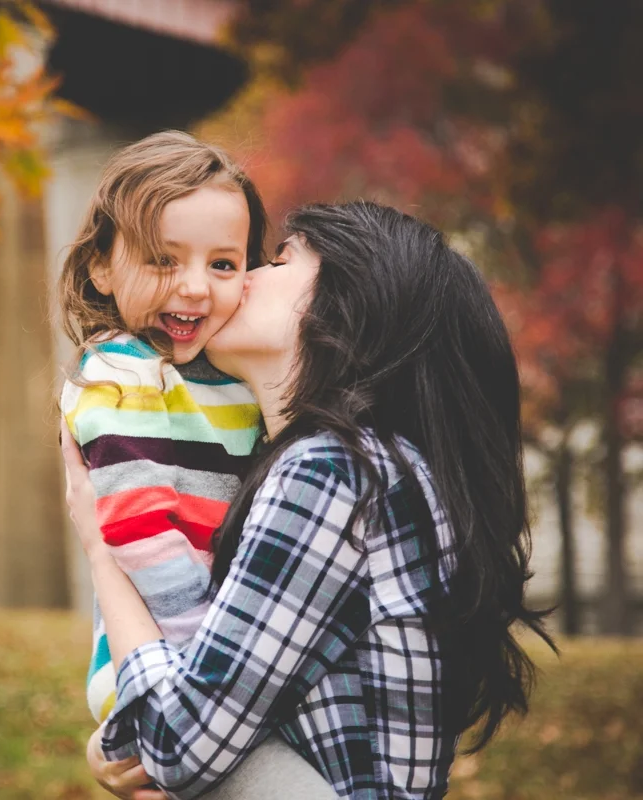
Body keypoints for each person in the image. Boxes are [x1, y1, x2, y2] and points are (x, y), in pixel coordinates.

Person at [62, 201, 556, 799]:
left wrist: (100, 544)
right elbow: (218, 713)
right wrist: (125, 741)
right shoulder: (350, 468)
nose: (239, 279)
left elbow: (180, 743)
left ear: (345, 304)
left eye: (276, 259)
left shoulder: (335, 473)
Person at [58, 131, 337, 799]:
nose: (194, 287)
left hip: (219, 655)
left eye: (222, 264)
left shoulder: (227, 375)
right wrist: (201, 658)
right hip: (165, 646)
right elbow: (137, 531)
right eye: (162, 260)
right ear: (102, 267)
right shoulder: (121, 376)